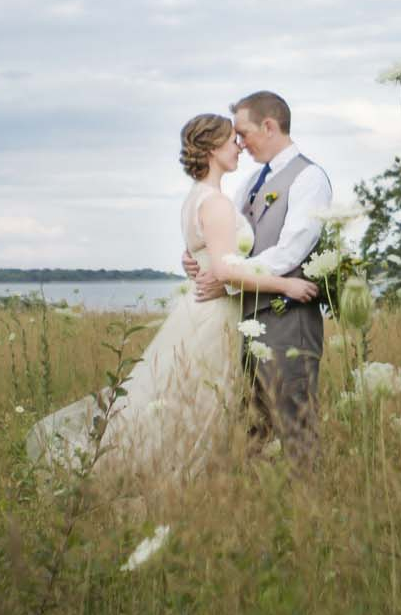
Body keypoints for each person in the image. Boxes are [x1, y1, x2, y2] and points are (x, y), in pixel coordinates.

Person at [25, 112, 317, 480]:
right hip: (215, 315)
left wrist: (197, 263)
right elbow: (226, 271)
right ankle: (169, 480)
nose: (238, 147)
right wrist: (287, 285)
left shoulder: (196, 199)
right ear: (212, 148)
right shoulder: (216, 203)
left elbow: (208, 257)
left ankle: (189, 480)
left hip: (201, 309)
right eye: (231, 141)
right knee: (200, 405)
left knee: (184, 401)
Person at [186, 90, 331, 457]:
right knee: (253, 431)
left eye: (243, 133)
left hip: (287, 321)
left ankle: (305, 507)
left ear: (268, 126)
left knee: (295, 425)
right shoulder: (251, 183)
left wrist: (226, 277)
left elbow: (290, 251)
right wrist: (201, 261)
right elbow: (226, 243)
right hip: (244, 322)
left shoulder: (309, 178)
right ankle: (259, 508)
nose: (240, 142)